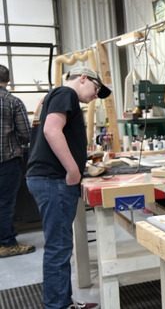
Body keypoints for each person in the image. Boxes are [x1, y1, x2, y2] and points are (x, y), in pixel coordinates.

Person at [26, 67, 111, 309]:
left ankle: (63, 302)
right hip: (54, 180)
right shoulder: (66, 93)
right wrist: (73, 170)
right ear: (83, 78)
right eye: (96, 89)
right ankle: (57, 306)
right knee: (58, 248)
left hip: (47, 178)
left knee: (59, 246)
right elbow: (51, 130)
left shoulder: (52, 96)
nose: (96, 95)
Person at [0, 64, 33, 258]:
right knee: (4, 203)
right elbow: (26, 134)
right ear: (9, 80)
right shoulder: (13, 102)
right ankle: (6, 244)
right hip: (6, 161)